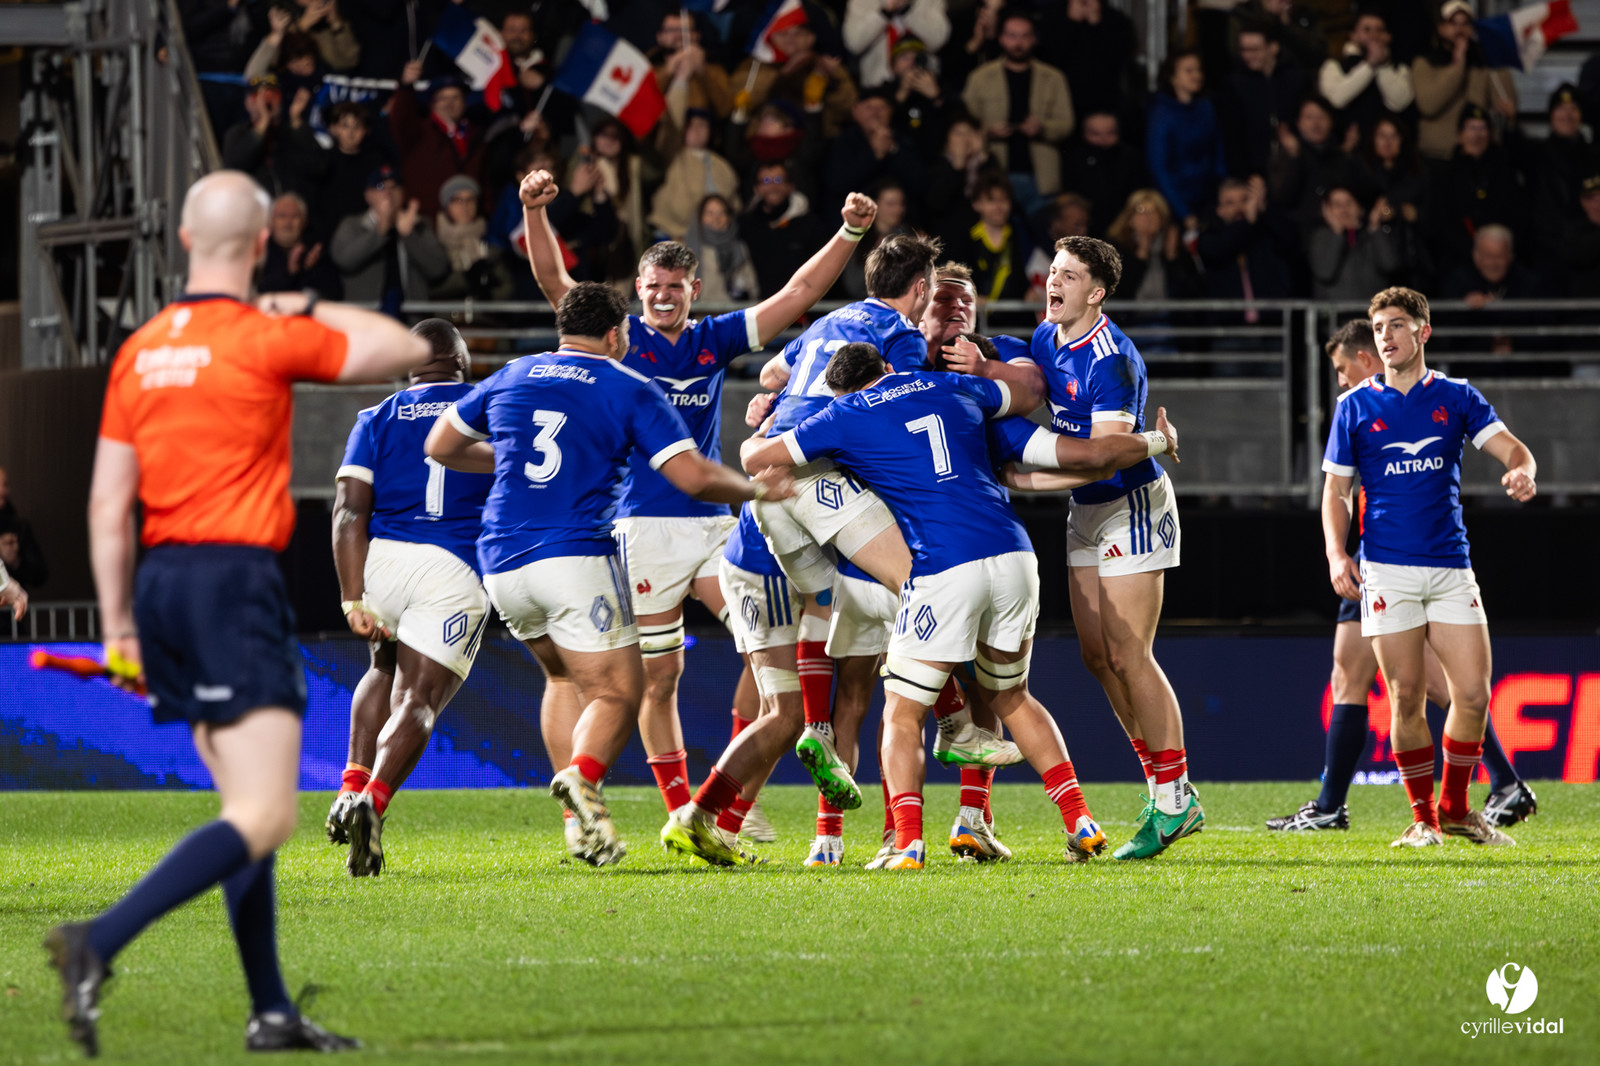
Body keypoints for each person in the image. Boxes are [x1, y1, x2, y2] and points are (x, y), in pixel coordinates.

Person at [48, 169, 433, 1055]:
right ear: (259, 245)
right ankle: (95, 942)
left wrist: (116, 626)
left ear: (183, 240)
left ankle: (269, 1012)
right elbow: (395, 346)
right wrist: (298, 301)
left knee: (240, 807)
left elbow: (109, 503)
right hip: (231, 584)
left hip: (160, 585)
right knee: (266, 817)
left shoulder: (139, 347)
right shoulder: (261, 333)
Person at [520, 168, 879, 820]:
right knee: (660, 678)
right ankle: (684, 804)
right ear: (637, 291)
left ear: (695, 290)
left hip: (715, 526)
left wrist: (850, 232)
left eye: (674, 288)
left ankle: (742, 776)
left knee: (767, 641)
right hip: (645, 527)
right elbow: (554, 285)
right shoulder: (617, 343)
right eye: (653, 288)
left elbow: (798, 293)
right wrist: (534, 212)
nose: (662, 298)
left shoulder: (714, 339)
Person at [737, 343, 1178, 869]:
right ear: (887, 368)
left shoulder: (845, 412)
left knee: (900, 714)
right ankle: (1080, 822)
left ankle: (906, 843)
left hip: (944, 567)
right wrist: (1156, 439)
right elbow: (1054, 427)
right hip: (1016, 557)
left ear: (844, 388)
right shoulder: (952, 387)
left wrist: (767, 424)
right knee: (1012, 696)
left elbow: (755, 461)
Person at [423, 282, 793, 865]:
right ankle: (584, 778)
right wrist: (754, 487)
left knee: (565, 681)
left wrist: (508, 461)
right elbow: (694, 477)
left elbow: (439, 444)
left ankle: (579, 824)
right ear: (617, 334)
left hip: (499, 562)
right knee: (623, 691)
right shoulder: (627, 385)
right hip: (572, 555)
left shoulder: (514, 373)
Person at [1268, 319, 1536, 832]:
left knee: (1439, 689)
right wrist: (1336, 551)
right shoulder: (1358, 410)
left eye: (1345, 371)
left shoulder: (1430, 399)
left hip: (1406, 559)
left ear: (1369, 358)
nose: (1343, 382)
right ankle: (1336, 804)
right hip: (1379, 560)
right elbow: (1335, 491)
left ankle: (1495, 784)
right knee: (1361, 676)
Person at [1019, 237, 1205, 859]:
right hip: (1086, 513)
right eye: (1053, 271)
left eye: (1068, 276)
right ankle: (1162, 785)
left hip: (1130, 507)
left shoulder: (1113, 360)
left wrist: (1028, 477)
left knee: (1131, 653)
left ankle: (1176, 798)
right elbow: (1018, 379)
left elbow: (1100, 463)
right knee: (1097, 657)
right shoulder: (1048, 337)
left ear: (1095, 293)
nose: (1053, 282)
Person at [326, 320, 495, 876]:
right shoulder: (487, 406)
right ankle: (371, 801)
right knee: (418, 700)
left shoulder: (375, 418)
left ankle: (350, 785)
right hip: (453, 567)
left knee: (381, 665)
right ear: (462, 362)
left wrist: (354, 597)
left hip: (385, 561)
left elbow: (349, 511)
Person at [960, 9, 1076, 209]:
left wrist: (1042, 128)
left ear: (1034, 39)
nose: (1018, 43)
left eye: (1024, 36)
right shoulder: (980, 77)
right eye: (1012, 36)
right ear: (1001, 38)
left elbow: (1067, 124)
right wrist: (989, 131)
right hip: (994, 172)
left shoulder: (1053, 78)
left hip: (1041, 177)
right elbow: (963, 125)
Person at [329, 167, 449, 313]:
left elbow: (438, 269)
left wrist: (409, 236)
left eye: (394, 186)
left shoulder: (419, 224)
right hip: (367, 320)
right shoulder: (352, 225)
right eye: (380, 187)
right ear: (368, 195)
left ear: (403, 193)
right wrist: (380, 231)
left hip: (411, 320)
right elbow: (344, 260)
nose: (388, 193)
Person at [1412, 0, 1517, 161]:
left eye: (1465, 23)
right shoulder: (1425, 63)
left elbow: (1504, 105)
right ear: (1440, 28)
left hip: (1478, 154)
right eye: (1453, 23)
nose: (1459, 29)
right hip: (1437, 156)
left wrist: (1497, 57)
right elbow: (1429, 105)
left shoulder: (1482, 63)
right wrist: (1457, 66)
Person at [1146, 49, 1226, 231]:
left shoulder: (1206, 107)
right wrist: (1183, 213)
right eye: (1189, 71)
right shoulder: (1162, 114)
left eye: (1198, 70)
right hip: (1175, 199)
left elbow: (1217, 150)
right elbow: (1159, 168)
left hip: (1207, 196)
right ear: (1173, 77)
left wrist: (1222, 188)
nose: (1197, 75)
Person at [389, 66, 484, 218]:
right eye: (442, 98)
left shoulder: (475, 135)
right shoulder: (418, 131)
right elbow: (400, 119)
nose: (449, 103)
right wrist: (406, 87)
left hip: (466, 221)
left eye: (455, 97)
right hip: (425, 221)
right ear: (432, 103)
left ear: (464, 102)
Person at [1222, 26, 1309, 179]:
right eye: (1243, 50)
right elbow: (1232, 138)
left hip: (1295, 166)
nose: (1248, 56)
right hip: (1254, 173)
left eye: (1254, 50)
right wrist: (1246, 175)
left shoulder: (1296, 79)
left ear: (1273, 47)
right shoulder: (1235, 84)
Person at [739, 161, 830, 299]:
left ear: (790, 186)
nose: (772, 186)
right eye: (766, 181)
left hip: (800, 308)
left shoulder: (810, 225)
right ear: (756, 188)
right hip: (756, 307)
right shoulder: (744, 225)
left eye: (778, 179)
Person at [648, 109, 741, 242]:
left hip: (717, 239)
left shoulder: (723, 165)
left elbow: (734, 203)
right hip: (675, 237)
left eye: (702, 124)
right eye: (690, 125)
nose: (696, 129)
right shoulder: (671, 157)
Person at [1318, 11, 1415, 133]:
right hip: (1347, 146)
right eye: (1367, 30)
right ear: (1353, 35)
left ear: (1388, 36)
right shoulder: (1334, 65)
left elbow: (1400, 103)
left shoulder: (1400, 68)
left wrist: (1383, 65)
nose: (1374, 35)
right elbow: (1336, 99)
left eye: (1379, 30)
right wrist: (1370, 65)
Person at [1059, 112, 1149, 239]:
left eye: (1110, 133)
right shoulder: (1075, 159)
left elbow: (1139, 195)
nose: (1103, 139)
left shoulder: (1130, 157)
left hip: (1125, 229)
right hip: (1088, 231)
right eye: (1096, 134)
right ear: (1084, 134)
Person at [1106, 189, 1203, 301]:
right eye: (1141, 211)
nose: (1148, 217)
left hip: (1168, 317)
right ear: (1130, 218)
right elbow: (1116, 292)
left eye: (1154, 211)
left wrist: (1172, 258)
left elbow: (1193, 292)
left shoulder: (1174, 246)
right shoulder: (1115, 249)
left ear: (1162, 218)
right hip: (1129, 317)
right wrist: (1142, 253)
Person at [1307, 186, 1402, 300]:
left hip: (1370, 314)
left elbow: (1390, 265)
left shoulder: (1372, 235)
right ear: (1326, 210)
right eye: (1337, 204)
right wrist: (1337, 233)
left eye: (1349, 203)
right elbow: (1324, 272)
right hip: (1336, 315)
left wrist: (1375, 227)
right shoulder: (1321, 237)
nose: (1344, 209)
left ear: (1360, 208)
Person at [954, 172, 1030, 302]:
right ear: (976, 204)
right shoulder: (966, 238)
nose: (998, 207)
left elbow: (1023, 278)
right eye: (991, 200)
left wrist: (1030, 291)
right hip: (978, 319)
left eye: (1003, 200)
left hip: (1013, 318)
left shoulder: (1020, 235)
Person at [844, 0, 951, 90]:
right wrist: (885, 13)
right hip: (878, 87)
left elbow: (937, 41)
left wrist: (907, 11)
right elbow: (854, 44)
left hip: (923, 84)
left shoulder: (929, 2)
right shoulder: (862, 2)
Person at [259, 192, 341, 296]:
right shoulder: (260, 251)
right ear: (270, 222)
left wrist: (309, 271)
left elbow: (335, 294)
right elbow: (258, 291)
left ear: (304, 222)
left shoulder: (317, 251)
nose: (288, 222)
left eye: (294, 216)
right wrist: (289, 273)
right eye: (281, 216)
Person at [1441, 225, 1542, 305]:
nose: (1493, 263)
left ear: (1510, 256)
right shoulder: (1458, 282)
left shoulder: (1529, 284)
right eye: (1488, 257)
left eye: (1499, 257)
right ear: (1476, 256)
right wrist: (1466, 307)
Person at [685, 194, 757, 303]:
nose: (716, 218)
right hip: (699, 314)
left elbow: (752, 285)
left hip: (732, 313)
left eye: (721, 213)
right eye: (709, 213)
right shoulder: (686, 248)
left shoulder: (739, 247)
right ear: (699, 217)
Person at [0, 465, 48, 591]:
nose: (2, 491)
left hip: (13, 608)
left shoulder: (20, 528)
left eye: (5, 485)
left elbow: (40, 575)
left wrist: (16, 562)